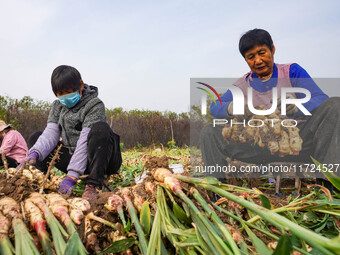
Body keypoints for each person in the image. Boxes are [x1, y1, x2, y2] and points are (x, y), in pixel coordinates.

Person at [200, 28, 339, 193]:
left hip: (298, 142)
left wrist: (298, 106)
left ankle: (328, 192)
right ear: (245, 60)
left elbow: (320, 97)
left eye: (262, 53)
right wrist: (232, 108)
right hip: (259, 146)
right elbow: (215, 107)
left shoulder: (291, 71)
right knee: (209, 132)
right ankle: (216, 193)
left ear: (272, 49)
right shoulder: (242, 85)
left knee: (335, 105)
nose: (258, 60)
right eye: (251, 57)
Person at [20, 65, 122, 200]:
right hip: (73, 156)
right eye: (60, 94)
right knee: (36, 137)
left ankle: (93, 185)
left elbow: (84, 141)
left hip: (102, 159)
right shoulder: (57, 106)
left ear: (80, 85)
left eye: (68, 92)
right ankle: (40, 183)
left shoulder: (94, 105)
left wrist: (72, 176)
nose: (65, 97)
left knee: (100, 129)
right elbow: (50, 133)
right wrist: (34, 153)